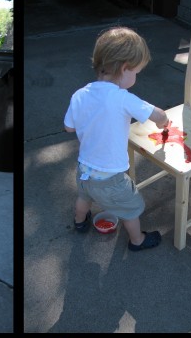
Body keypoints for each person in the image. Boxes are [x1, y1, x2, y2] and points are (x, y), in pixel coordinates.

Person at [64, 26, 169, 251]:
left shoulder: (80, 94)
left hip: (84, 169)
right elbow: (157, 114)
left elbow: (68, 128)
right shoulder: (122, 98)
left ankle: (80, 222)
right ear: (124, 68)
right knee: (130, 208)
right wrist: (164, 122)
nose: (136, 78)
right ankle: (137, 240)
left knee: (84, 196)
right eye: (136, 73)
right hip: (110, 178)